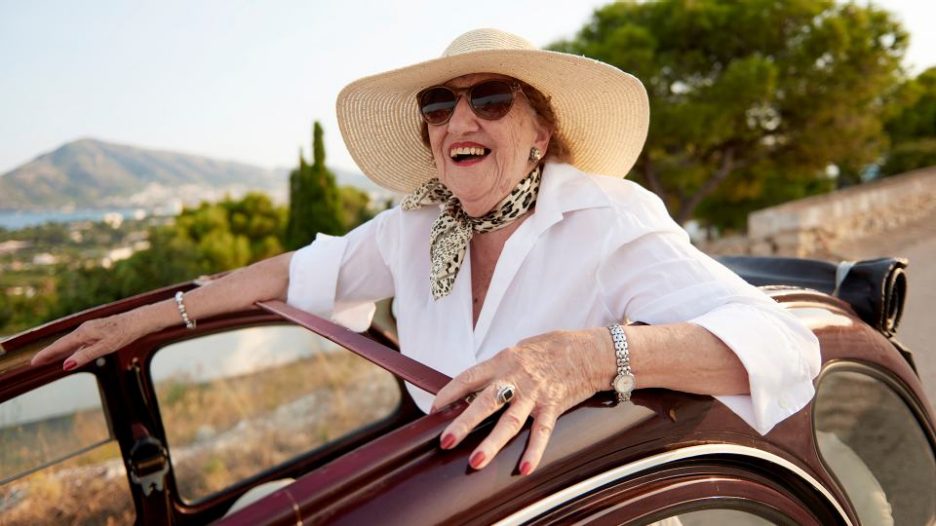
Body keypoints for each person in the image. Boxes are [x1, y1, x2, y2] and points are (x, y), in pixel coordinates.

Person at [31, 28, 820, 476]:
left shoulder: (607, 219)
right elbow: (302, 271)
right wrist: (154, 313)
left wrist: (585, 356)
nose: (457, 119)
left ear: (541, 131)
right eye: (439, 105)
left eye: (490, 99)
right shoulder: (419, 226)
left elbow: (788, 346)